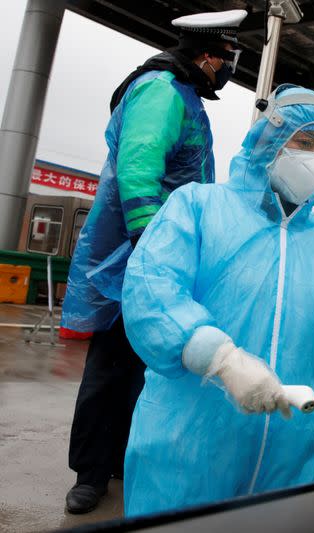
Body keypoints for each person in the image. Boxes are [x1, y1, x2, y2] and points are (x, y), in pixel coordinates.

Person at [119, 84, 314, 517]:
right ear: (268, 141)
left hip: (289, 449)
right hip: (187, 439)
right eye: (304, 142)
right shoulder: (199, 206)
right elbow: (151, 289)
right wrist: (218, 358)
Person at [61, 9, 247, 514]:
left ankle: (119, 457)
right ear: (209, 56)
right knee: (114, 362)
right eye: (229, 57)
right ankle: (91, 473)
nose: (230, 68)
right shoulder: (162, 89)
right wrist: (150, 247)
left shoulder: (183, 93)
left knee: (145, 364)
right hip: (138, 255)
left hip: (163, 254)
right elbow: (138, 169)